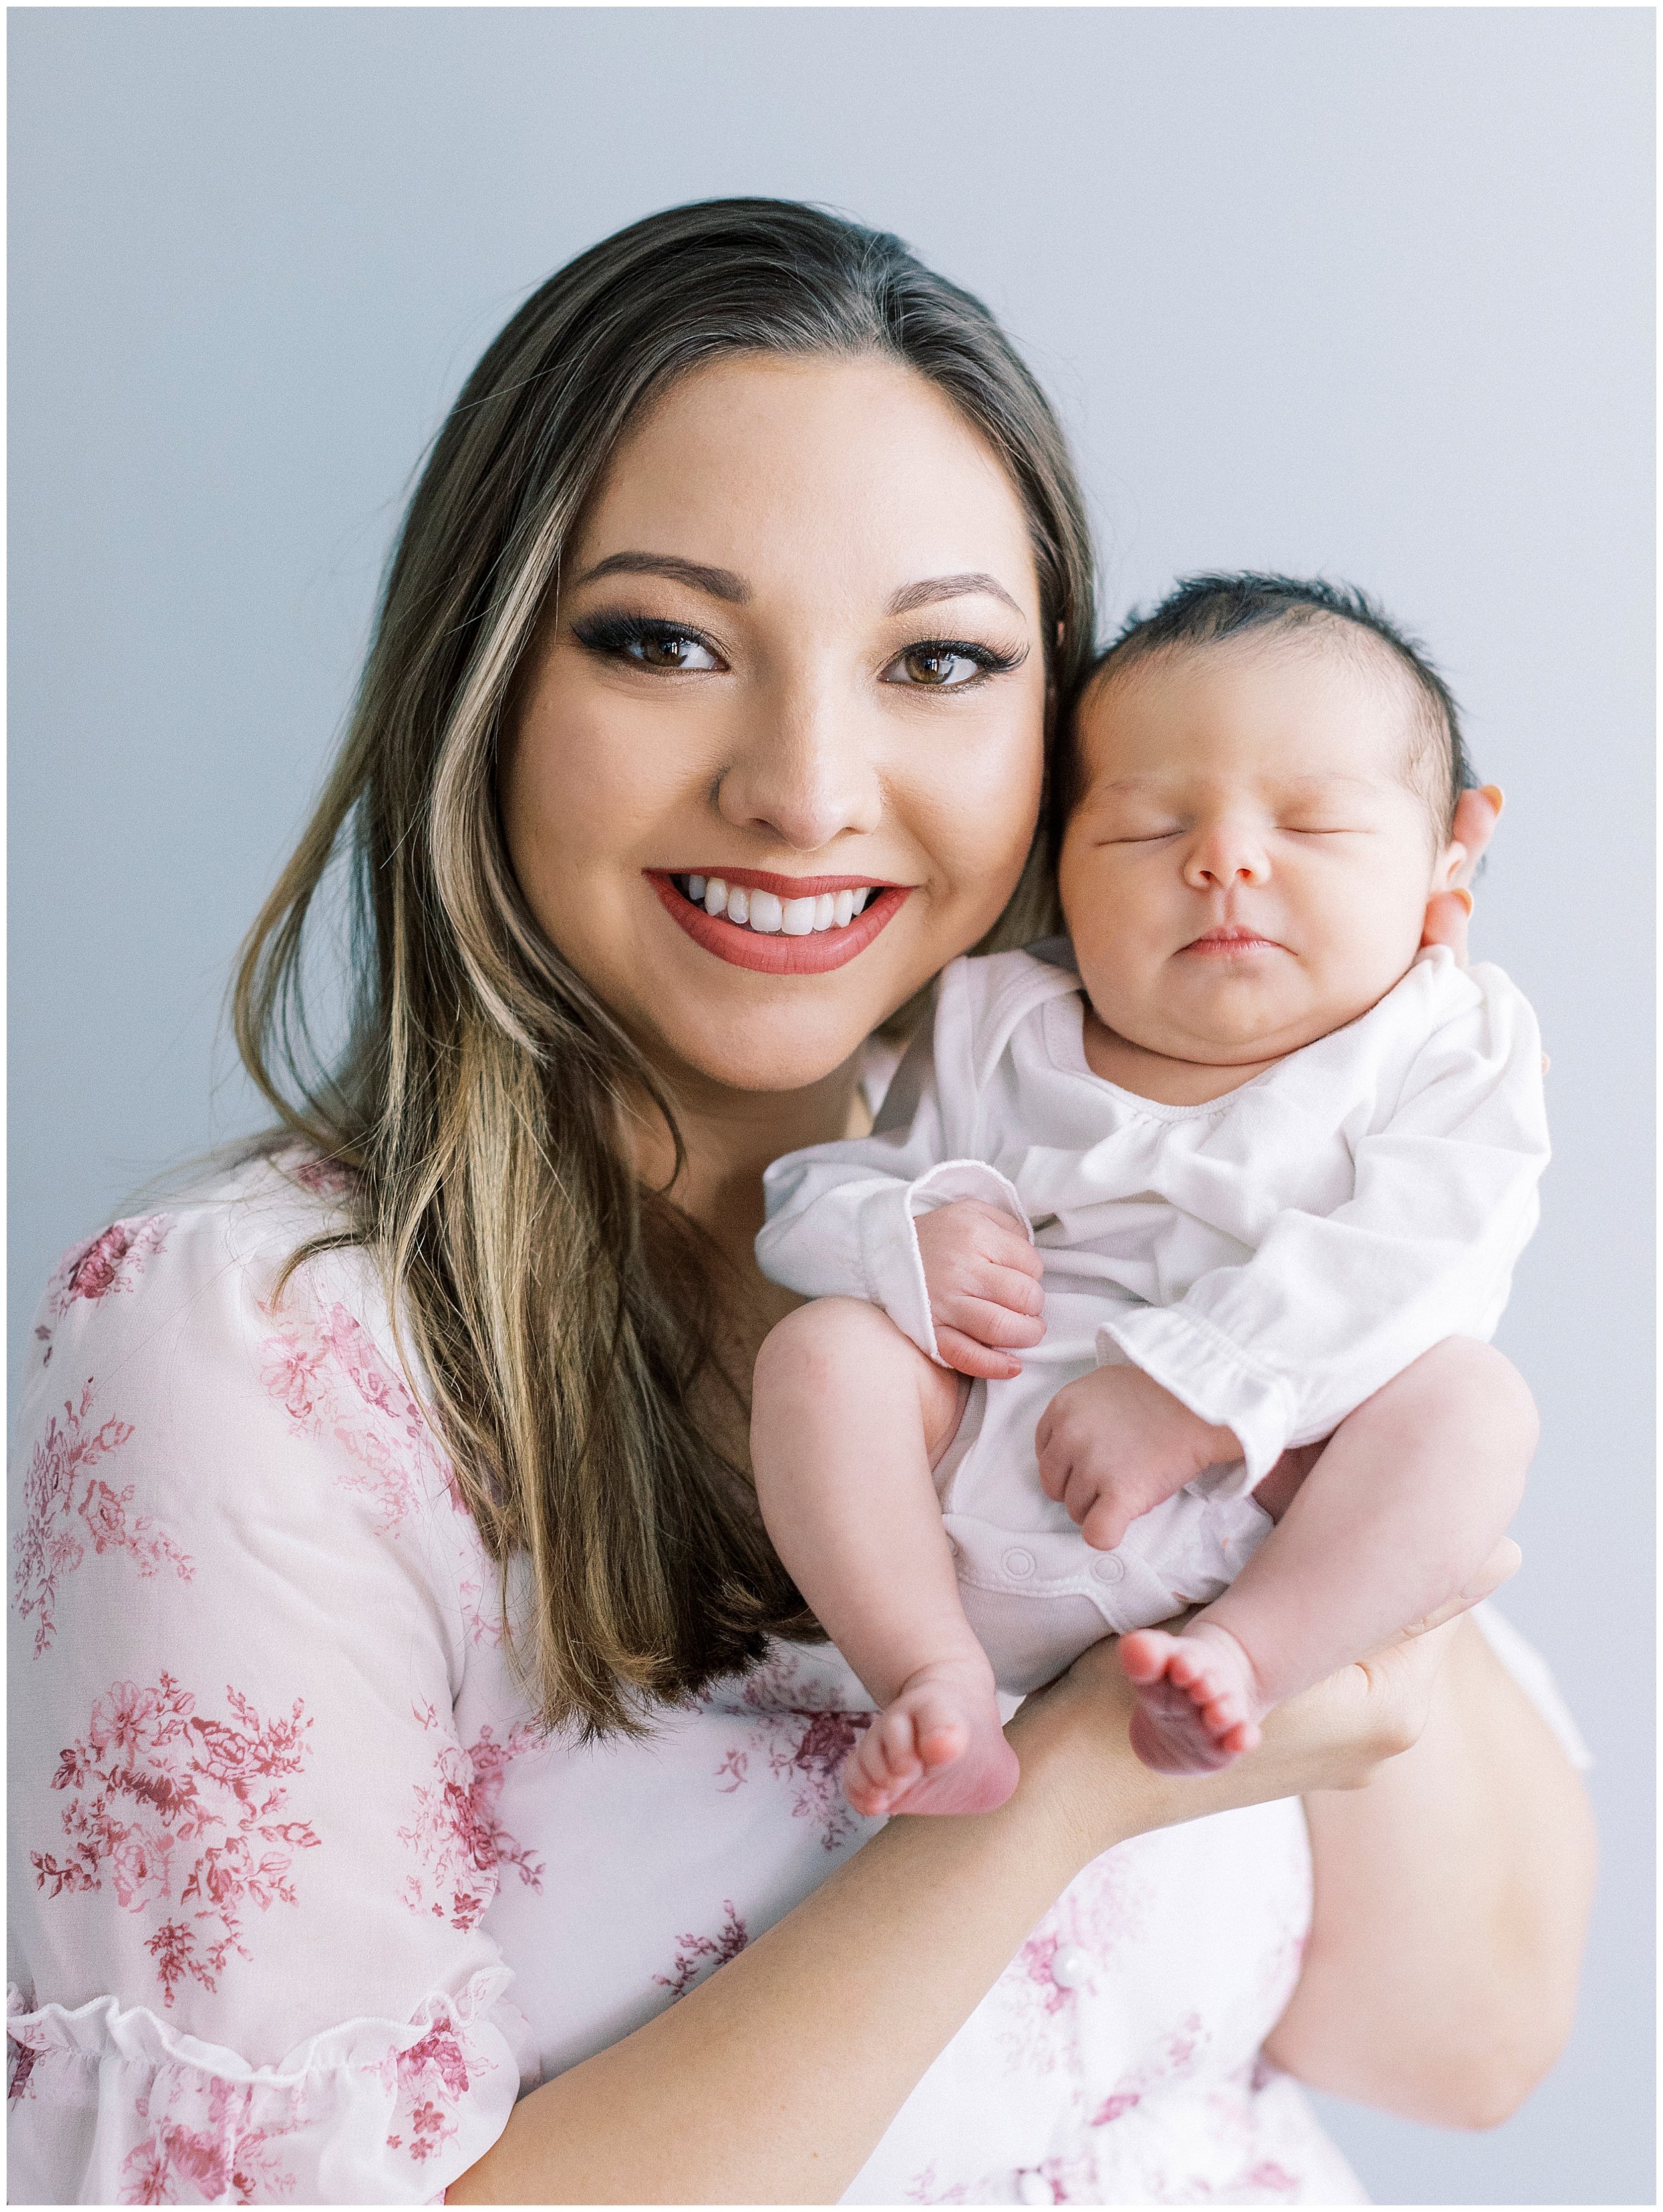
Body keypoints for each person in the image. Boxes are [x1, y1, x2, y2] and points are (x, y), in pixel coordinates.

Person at [8, 200, 1594, 2207]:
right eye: (663, 640)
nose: (808, 783)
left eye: (937, 660)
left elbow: (1453, 2041)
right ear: (482, 682)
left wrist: (1303, 1371)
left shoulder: (1156, 1224)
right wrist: (1059, 1787)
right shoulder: (253, 1347)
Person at [751, 573, 1547, 1814]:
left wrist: (1198, 1390)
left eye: (1314, 825)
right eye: (1143, 829)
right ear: (1057, 862)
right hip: (981, 1480)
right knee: (822, 1355)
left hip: (1263, 1506)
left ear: (1455, 853)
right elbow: (814, 1196)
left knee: (1471, 1407)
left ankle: (1241, 1666)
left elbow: (1426, 1250)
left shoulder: (1445, 1044)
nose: (1225, 859)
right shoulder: (997, 1022)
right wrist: (905, 1236)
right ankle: (931, 1674)